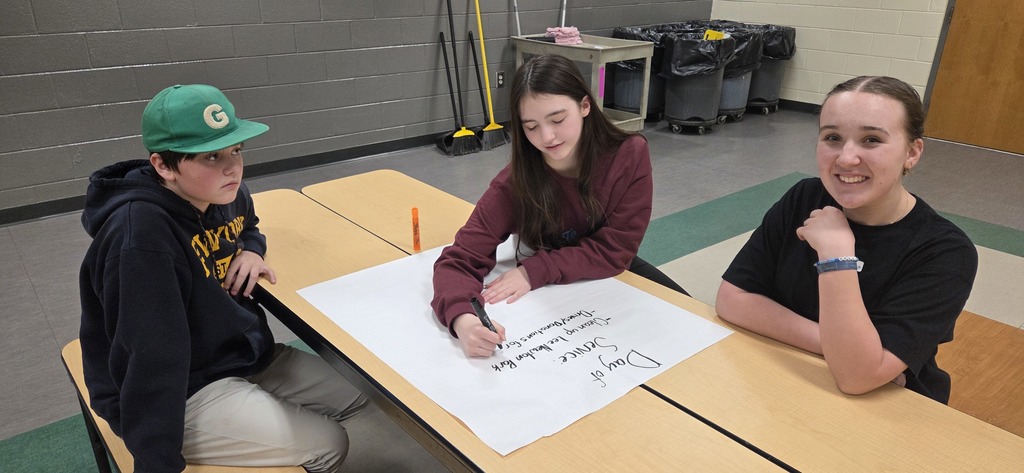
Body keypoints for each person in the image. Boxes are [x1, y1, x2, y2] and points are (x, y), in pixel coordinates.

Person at [78, 84, 367, 472]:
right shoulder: (140, 240)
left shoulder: (225, 193)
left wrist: (251, 248)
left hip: (240, 355)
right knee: (329, 443)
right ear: (163, 166)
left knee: (365, 394)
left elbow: (249, 223)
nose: (232, 167)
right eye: (212, 156)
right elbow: (148, 358)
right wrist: (156, 461)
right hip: (181, 390)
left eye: (235, 150)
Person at [716, 76, 978, 403]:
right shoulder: (805, 197)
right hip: (791, 374)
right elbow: (733, 299)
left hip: (889, 405)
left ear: (912, 152)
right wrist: (838, 349)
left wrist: (836, 255)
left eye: (871, 140)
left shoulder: (945, 251)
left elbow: (857, 378)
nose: (846, 158)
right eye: (833, 137)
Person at [431, 54, 687, 357]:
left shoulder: (628, 155)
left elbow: (616, 249)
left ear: (584, 105)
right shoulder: (515, 182)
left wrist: (534, 271)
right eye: (531, 127)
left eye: (557, 120)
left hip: (610, 274)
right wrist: (463, 321)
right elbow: (459, 259)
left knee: (688, 322)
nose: (547, 137)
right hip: (552, 301)